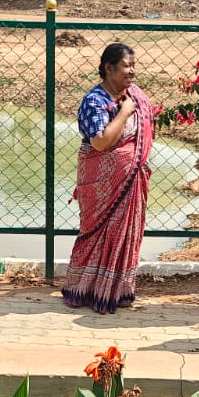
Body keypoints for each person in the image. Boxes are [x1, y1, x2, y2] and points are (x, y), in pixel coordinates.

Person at [61, 44, 155, 314]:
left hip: (131, 182)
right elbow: (100, 142)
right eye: (126, 65)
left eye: (133, 65)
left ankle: (119, 290)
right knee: (97, 232)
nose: (132, 71)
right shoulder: (95, 101)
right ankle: (84, 289)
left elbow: (145, 135)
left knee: (125, 234)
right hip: (100, 185)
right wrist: (124, 113)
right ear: (108, 68)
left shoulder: (135, 95)